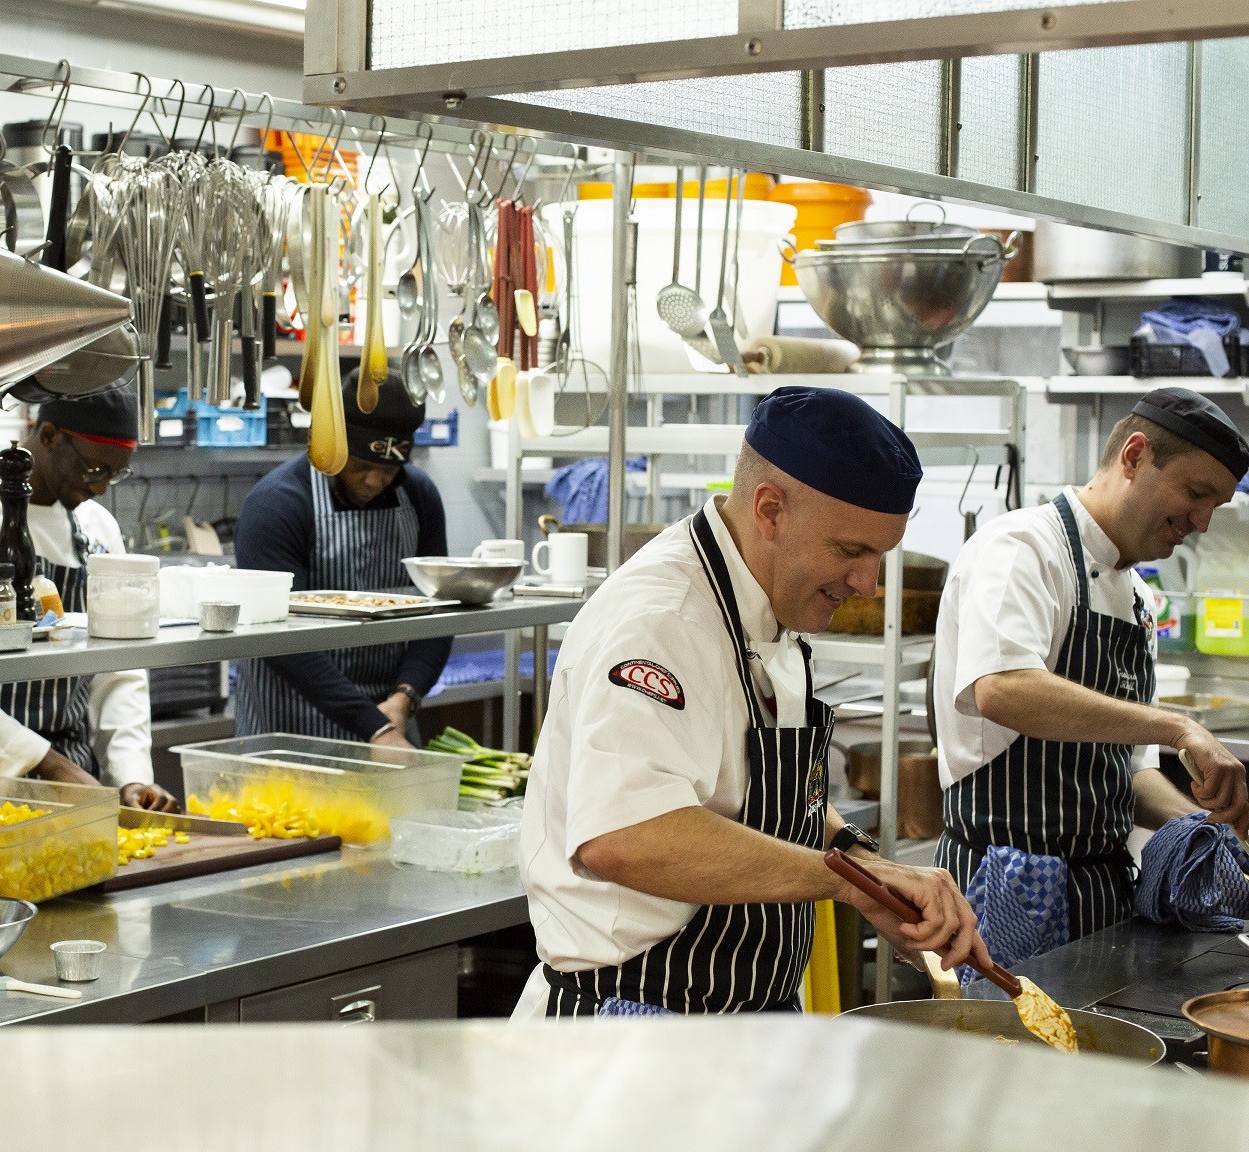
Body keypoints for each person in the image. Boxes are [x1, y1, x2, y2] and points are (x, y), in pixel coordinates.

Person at [516, 385, 993, 1018]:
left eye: (880, 555)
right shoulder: (664, 621)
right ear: (770, 510)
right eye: (850, 551)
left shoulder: (768, 606)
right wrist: (845, 883)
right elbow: (623, 837)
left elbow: (765, 798)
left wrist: (866, 868)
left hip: (740, 1018)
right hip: (638, 1024)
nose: (867, 585)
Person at [932, 387, 1249, 941]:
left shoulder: (1139, 600)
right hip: (1004, 887)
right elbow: (1003, 689)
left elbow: (1128, 772)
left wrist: (1208, 830)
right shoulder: (1022, 549)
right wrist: (1178, 727)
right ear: (1134, 456)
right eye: (1196, 493)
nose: (1201, 523)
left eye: (1215, 507)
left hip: (1101, 893)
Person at [0, 389, 178, 811]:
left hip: (75, 770)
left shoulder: (98, 528)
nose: (101, 486)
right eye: (94, 468)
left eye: (116, 474)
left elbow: (119, 671)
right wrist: (42, 762)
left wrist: (131, 775)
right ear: (49, 435)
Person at [233, 370, 450, 748]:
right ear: (331, 448)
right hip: (291, 723)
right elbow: (280, 638)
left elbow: (437, 611)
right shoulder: (277, 503)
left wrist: (404, 699)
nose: (375, 481)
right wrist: (374, 727)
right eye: (361, 466)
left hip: (392, 715)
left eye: (388, 470)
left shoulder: (418, 495)